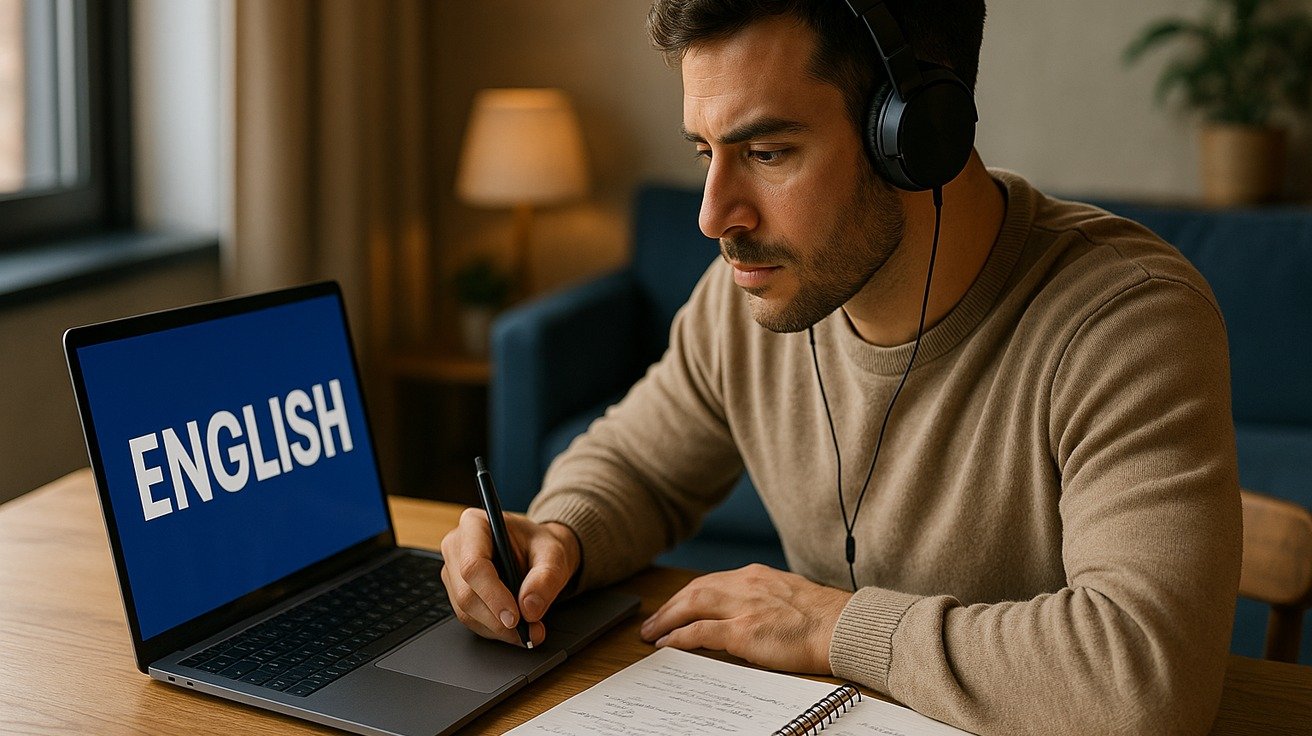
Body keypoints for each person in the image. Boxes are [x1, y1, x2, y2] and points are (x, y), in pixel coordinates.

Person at [440, 1, 1242, 733]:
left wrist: (830, 625)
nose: (714, 215)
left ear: (917, 136)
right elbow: (637, 466)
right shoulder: (751, 297)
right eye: (706, 151)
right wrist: (556, 537)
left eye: (767, 150)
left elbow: (1144, 680)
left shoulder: (1128, 321)